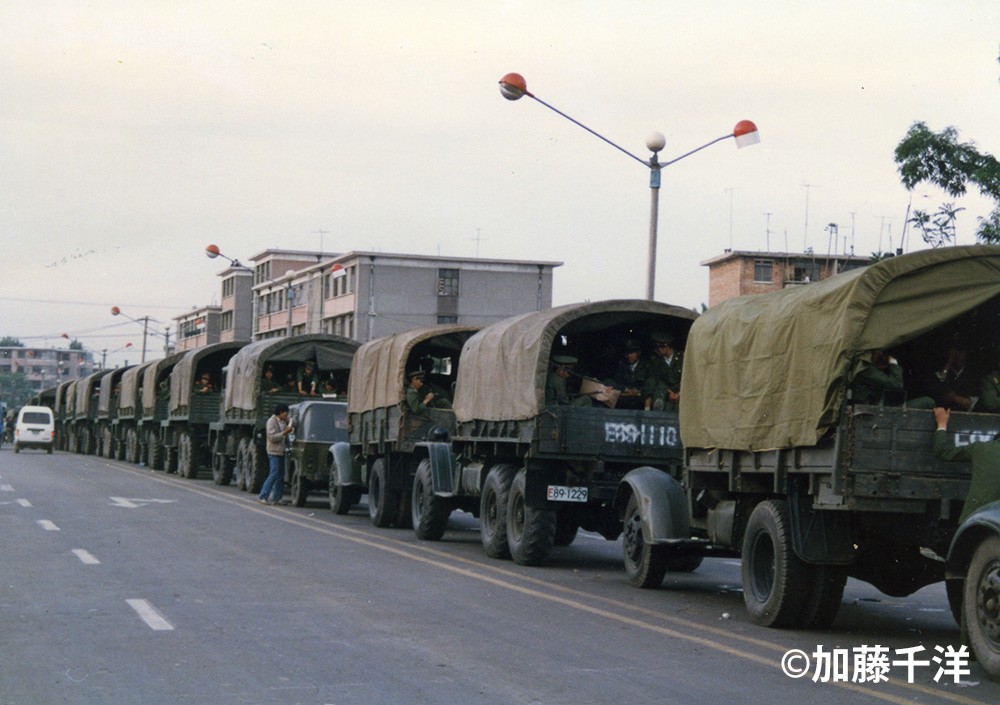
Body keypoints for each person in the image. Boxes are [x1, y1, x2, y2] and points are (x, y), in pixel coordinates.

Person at [921, 335, 979, 411]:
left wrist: (954, 398)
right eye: (954, 351)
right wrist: (949, 362)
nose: (958, 355)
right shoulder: (943, 370)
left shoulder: (972, 373)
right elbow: (939, 381)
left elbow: (971, 403)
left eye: (960, 351)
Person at [258, 403, 293, 505]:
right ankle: (263, 495)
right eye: (285, 413)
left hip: (281, 451)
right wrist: (284, 433)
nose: (286, 415)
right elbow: (272, 438)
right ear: (281, 412)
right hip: (273, 451)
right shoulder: (271, 422)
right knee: (274, 473)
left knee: (280, 475)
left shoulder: (283, 422)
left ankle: (277, 498)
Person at [644, 332, 683, 411]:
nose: (656, 350)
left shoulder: (682, 358)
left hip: (682, 393)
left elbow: (688, 378)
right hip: (665, 394)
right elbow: (657, 380)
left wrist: (679, 393)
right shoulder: (656, 361)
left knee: (678, 409)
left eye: (658, 348)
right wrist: (670, 393)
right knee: (666, 408)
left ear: (666, 346)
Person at [607, 339, 649, 410]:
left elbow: (649, 383)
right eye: (627, 354)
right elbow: (618, 382)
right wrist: (626, 390)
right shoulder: (622, 365)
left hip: (640, 397)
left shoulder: (645, 366)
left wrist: (638, 391)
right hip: (625, 396)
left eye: (632, 353)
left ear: (638, 353)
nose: (629, 356)